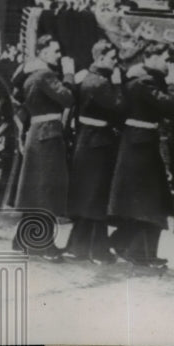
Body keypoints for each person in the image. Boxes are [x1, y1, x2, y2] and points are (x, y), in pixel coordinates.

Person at [107, 43, 174, 269]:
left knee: (147, 202)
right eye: (165, 59)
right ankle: (137, 252)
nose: (168, 64)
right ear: (152, 57)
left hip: (139, 143)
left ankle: (133, 247)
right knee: (146, 203)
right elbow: (170, 106)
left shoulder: (140, 79)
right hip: (141, 146)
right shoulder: (145, 82)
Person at [12, 34, 75, 262]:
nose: (59, 56)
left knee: (36, 190)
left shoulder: (30, 74)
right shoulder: (46, 75)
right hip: (49, 135)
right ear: (43, 52)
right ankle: (44, 244)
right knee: (48, 191)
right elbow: (67, 98)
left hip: (37, 133)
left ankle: (22, 240)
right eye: (55, 51)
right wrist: (69, 73)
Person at [64, 39, 125, 264]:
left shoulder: (82, 78)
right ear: (100, 58)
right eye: (112, 58)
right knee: (96, 197)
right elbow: (120, 107)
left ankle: (79, 246)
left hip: (84, 140)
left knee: (87, 197)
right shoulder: (102, 83)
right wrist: (118, 84)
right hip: (99, 144)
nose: (115, 63)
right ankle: (96, 250)